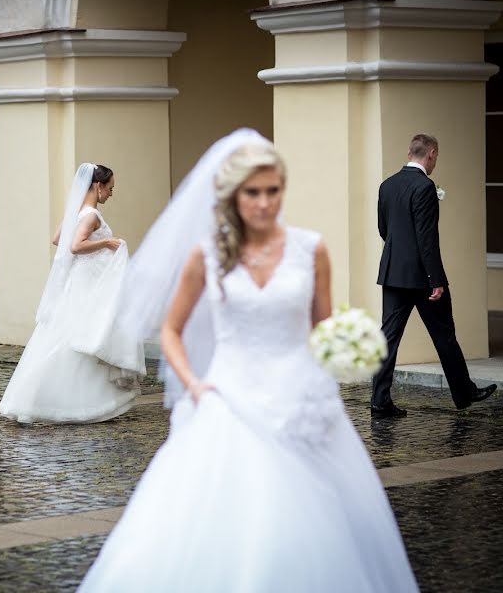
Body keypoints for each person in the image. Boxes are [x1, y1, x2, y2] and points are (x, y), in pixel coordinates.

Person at [78, 130, 418, 592]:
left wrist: (345, 349)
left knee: (313, 522)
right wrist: (194, 385)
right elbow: (172, 331)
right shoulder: (208, 256)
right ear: (233, 196)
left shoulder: (310, 249)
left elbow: (322, 327)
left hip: (300, 397)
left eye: (273, 191)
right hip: (228, 397)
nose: (263, 203)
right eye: (252, 193)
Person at [0, 163, 146, 424]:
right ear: (98, 186)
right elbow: (76, 246)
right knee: (84, 335)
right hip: (86, 283)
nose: (111, 193)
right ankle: (71, 401)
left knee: (64, 335)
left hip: (75, 282)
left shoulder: (76, 211)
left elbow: (57, 239)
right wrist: (108, 243)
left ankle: (32, 397)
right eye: (110, 188)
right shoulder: (91, 216)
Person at [371, 133, 496, 418]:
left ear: (409, 152)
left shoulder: (386, 185)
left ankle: (379, 401)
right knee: (444, 335)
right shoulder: (424, 187)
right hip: (423, 278)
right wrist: (435, 279)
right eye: (435, 157)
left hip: (392, 273)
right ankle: (464, 393)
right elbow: (426, 238)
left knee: (387, 338)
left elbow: (384, 230)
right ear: (431, 154)